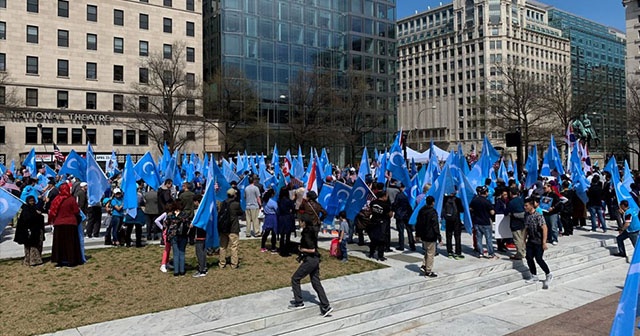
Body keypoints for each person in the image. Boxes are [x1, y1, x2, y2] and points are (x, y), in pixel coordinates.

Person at [288, 211, 333, 317]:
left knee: (295, 278)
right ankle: (326, 306)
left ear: (304, 222)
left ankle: (299, 302)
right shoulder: (312, 230)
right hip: (315, 259)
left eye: (300, 221)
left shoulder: (307, 232)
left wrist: (301, 249)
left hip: (310, 259)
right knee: (316, 282)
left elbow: (312, 249)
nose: (299, 222)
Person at [49, 184, 83, 267]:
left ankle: (59, 261)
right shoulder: (71, 199)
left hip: (58, 223)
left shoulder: (56, 199)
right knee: (70, 243)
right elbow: (76, 211)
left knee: (59, 244)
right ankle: (71, 260)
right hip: (70, 223)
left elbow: (52, 211)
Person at [523, 197, 553, 287]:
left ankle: (548, 274)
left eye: (526, 205)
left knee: (539, 259)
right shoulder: (526, 215)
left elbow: (544, 228)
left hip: (538, 241)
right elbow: (526, 228)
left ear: (532, 205)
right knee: (529, 257)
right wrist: (524, 240)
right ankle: (534, 275)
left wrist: (544, 242)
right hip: (531, 240)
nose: (525, 207)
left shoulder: (538, 216)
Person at [13, 195, 45, 266]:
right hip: (29, 231)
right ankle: (32, 261)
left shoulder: (34, 208)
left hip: (36, 230)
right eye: (30, 201)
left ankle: (35, 260)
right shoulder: (26, 210)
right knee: (30, 247)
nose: (32, 202)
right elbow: (27, 219)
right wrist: (36, 214)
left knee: (36, 246)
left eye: (33, 201)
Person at [415, 196, 441, 278]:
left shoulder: (422, 210)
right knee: (431, 253)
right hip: (431, 235)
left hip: (423, 234)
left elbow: (418, 223)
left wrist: (417, 234)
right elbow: (435, 225)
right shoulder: (433, 212)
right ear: (433, 202)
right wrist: (439, 237)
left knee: (427, 251)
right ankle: (428, 270)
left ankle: (424, 265)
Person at [470, 186, 498, 259]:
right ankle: (491, 253)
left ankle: (480, 253)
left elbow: (470, 209)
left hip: (477, 222)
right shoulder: (487, 202)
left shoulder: (474, 200)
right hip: (486, 222)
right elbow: (492, 212)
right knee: (488, 239)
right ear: (486, 193)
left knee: (478, 239)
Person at [218, 188, 243, 269]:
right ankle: (234, 264)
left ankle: (222, 263)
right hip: (233, 228)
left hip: (223, 228)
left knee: (222, 246)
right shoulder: (236, 204)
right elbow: (240, 213)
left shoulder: (223, 203)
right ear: (234, 195)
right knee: (234, 247)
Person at [165, 202, 190, 276]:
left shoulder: (170, 215)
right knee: (182, 253)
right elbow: (188, 224)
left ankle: (176, 271)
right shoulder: (185, 215)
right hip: (183, 235)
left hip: (173, 235)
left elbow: (166, 223)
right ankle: (182, 270)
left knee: (175, 253)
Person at [368, 191, 392, 261]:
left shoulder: (373, 203)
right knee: (381, 240)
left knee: (373, 239)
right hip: (382, 223)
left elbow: (370, 210)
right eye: (386, 196)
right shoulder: (386, 205)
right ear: (384, 196)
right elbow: (390, 215)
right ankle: (380, 255)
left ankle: (371, 253)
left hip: (373, 221)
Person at [392, 182, 415, 251]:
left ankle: (401, 245)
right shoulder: (408, 195)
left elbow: (395, 204)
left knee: (401, 231)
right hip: (407, 214)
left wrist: (393, 209)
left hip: (400, 215)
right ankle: (412, 245)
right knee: (409, 230)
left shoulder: (399, 195)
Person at [442, 190, 464, 259]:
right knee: (457, 236)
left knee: (448, 236)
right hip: (456, 220)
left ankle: (449, 252)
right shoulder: (457, 200)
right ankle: (458, 253)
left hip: (448, 220)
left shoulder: (445, 199)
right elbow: (461, 210)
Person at [123, 183, 146, 247]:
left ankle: (128, 243)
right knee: (136, 229)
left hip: (133, 211)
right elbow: (142, 202)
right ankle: (137, 243)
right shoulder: (139, 195)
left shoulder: (128, 195)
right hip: (133, 211)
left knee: (130, 229)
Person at [506, 188, 526, 260]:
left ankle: (520, 254)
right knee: (522, 238)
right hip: (523, 222)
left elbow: (506, 212)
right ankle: (524, 251)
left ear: (511, 193)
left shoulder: (511, 202)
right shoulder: (521, 200)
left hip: (515, 223)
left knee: (517, 239)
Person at [277, 186, 296, 257]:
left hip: (281, 218)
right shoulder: (288, 201)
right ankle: (286, 250)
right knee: (288, 235)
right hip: (287, 218)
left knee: (282, 235)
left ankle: (281, 249)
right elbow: (293, 209)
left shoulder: (279, 200)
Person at [191, 195, 207, 277]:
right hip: (205, 233)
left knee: (199, 252)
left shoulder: (198, 211)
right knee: (203, 251)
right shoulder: (206, 210)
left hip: (199, 234)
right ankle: (204, 267)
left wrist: (192, 224)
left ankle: (201, 270)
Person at [261, 189, 278, 253]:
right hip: (273, 217)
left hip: (267, 217)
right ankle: (273, 247)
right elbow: (277, 209)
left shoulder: (265, 201)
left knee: (266, 233)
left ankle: (262, 246)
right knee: (274, 233)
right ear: (272, 194)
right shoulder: (273, 202)